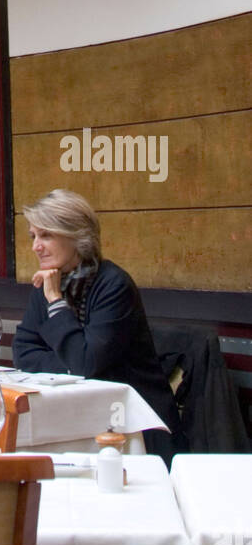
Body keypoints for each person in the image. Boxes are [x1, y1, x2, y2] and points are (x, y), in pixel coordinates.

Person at [13, 189, 185, 461]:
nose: (35, 246)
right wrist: (71, 365)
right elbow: (23, 352)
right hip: (75, 417)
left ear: (77, 236)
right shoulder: (46, 284)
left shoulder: (113, 285)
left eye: (46, 235)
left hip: (134, 427)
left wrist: (56, 303)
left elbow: (86, 362)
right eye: (33, 236)